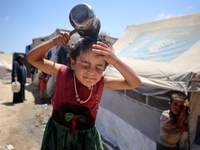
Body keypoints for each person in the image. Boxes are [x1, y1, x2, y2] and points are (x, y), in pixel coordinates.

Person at [26, 32, 141, 150]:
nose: (91, 73)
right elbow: (32, 58)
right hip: (57, 137)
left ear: (104, 68)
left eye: (98, 68)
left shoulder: (101, 83)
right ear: (73, 63)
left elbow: (135, 82)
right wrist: (54, 41)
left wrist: (115, 60)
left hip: (86, 142)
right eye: (85, 65)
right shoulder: (64, 73)